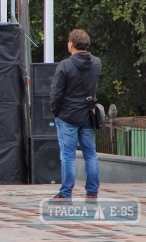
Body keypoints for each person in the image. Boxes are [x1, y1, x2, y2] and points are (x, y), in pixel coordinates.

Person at [49, 28, 102, 204]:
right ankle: (92, 191)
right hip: (88, 115)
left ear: (71, 44)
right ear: (87, 44)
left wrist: (56, 112)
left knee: (68, 155)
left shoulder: (65, 65)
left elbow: (56, 93)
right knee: (90, 154)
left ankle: (66, 192)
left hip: (68, 117)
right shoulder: (96, 63)